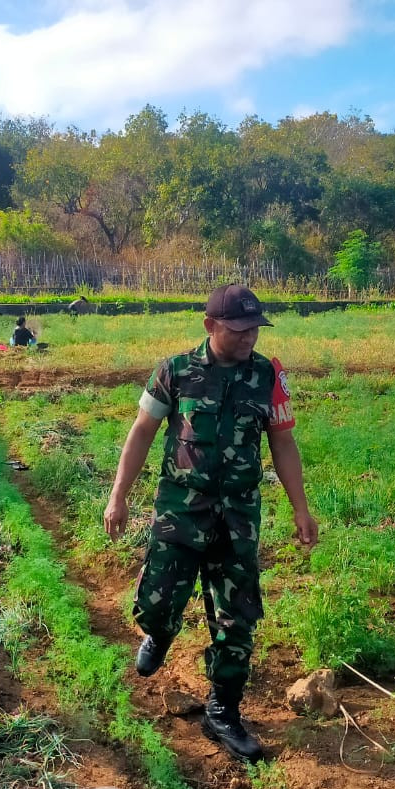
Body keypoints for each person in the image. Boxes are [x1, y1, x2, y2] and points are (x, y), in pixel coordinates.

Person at [103, 283, 318, 762]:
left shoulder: (267, 375)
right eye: (238, 331)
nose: (248, 340)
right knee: (159, 602)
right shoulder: (174, 371)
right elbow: (141, 432)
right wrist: (118, 496)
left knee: (237, 619)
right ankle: (159, 631)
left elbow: (282, 443)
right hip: (181, 509)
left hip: (238, 517)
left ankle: (223, 712)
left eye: (254, 331)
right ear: (210, 326)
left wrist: (301, 508)